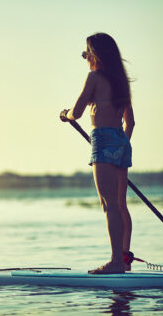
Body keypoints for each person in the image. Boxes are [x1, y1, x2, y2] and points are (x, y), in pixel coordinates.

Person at [60, 33, 135, 274]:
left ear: (95, 56)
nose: (85, 59)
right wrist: (119, 146)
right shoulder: (121, 82)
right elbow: (130, 122)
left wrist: (66, 115)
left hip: (102, 140)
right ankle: (124, 260)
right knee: (121, 205)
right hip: (121, 141)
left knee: (108, 204)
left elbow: (78, 111)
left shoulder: (94, 78)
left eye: (85, 54)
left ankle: (115, 263)